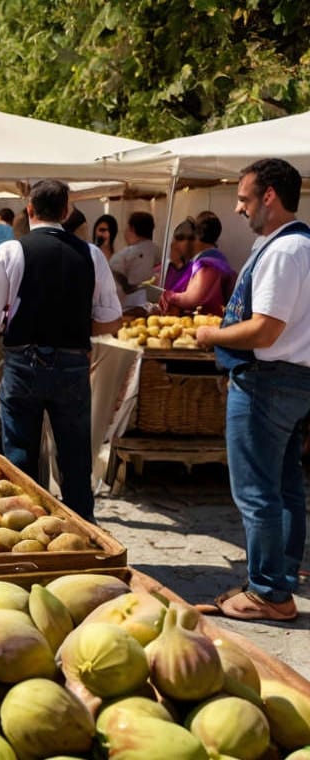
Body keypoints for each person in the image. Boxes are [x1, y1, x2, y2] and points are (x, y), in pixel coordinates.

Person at [194, 158, 310, 622]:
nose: (238, 209)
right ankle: (281, 575)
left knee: (257, 490)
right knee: (284, 485)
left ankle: (269, 593)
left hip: (268, 380)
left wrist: (213, 335)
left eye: (244, 199)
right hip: (293, 379)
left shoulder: (284, 251)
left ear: (269, 196)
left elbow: (265, 329)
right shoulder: (300, 245)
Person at [0, 179, 122, 522]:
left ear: (30, 210)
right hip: (72, 362)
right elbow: (111, 318)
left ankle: (27, 526)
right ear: (66, 211)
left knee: (20, 455)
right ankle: (83, 530)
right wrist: (74, 326)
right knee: (75, 458)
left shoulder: (10, 251)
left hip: (23, 360)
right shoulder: (91, 254)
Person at [159, 211, 235, 316]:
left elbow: (194, 299)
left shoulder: (207, 264)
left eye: (180, 239)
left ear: (196, 237)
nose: (175, 245)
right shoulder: (216, 260)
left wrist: (170, 296)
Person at [109, 211, 158, 314]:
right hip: (156, 309)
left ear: (132, 229)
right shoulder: (161, 251)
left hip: (127, 311)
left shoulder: (122, 256)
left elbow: (113, 290)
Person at [158, 217, 196, 293]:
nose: (173, 243)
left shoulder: (193, 271)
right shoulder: (165, 267)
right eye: (175, 238)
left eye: (180, 239)